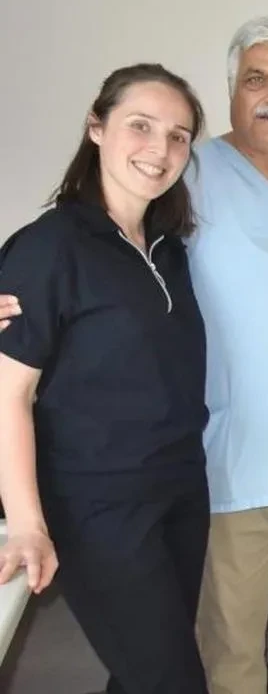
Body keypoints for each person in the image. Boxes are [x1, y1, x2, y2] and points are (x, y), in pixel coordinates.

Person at [0, 17, 268, 694]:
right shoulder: (185, 179)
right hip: (221, 468)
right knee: (224, 652)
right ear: (233, 91)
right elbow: (57, 276)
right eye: (257, 79)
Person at [0, 64, 211, 693]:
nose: (160, 149)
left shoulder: (168, 248)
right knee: (172, 681)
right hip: (98, 504)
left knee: (144, 668)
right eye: (140, 126)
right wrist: (28, 523)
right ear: (97, 127)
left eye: (178, 136)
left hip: (180, 488)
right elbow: (9, 394)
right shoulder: (50, 247)